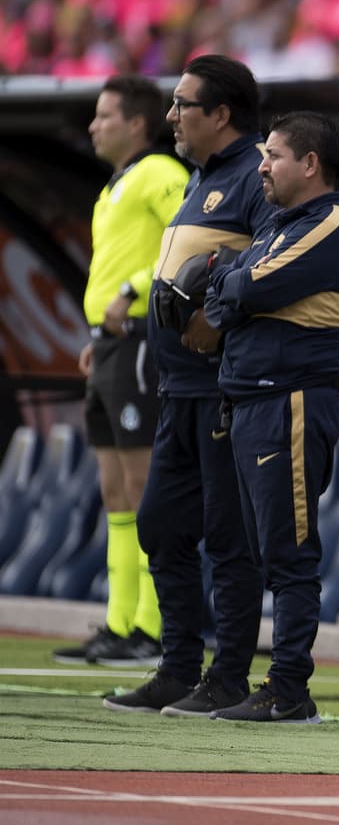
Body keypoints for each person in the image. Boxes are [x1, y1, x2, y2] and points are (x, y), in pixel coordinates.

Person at [104, 55, 274, 716]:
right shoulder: (202, 176)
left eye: (182, 105)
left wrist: (218, 317)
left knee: (227, 536)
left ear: (221, 115)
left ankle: (227, 675)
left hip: (221, 388)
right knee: (159, 525)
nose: (170, 117)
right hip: (179, 387)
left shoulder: (256, 175)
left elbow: (274, 256)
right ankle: (178, 666)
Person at [202, 111, 339, 723]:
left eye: (272, 155)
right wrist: (229, 285)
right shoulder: (278, 226)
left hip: (288, 401)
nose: (261, 166)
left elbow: (240, 292)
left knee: (290, 552)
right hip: (251, 402)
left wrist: (230, 285)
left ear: (310, 164)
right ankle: (264, 682)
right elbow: (225, 291)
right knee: (259, 550)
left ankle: (290, 688)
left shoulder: (329, 224)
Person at [53, 76, 188, 667]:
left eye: (104, 115)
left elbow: (191, 234)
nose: (92, 126)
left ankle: (152, 629)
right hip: (108, 346)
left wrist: (134, 291)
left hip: (138, 341)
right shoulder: (118, 183)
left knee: (142, 483)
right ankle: (119, 621)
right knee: (115, 489)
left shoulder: (160, 172)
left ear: (137, 123)